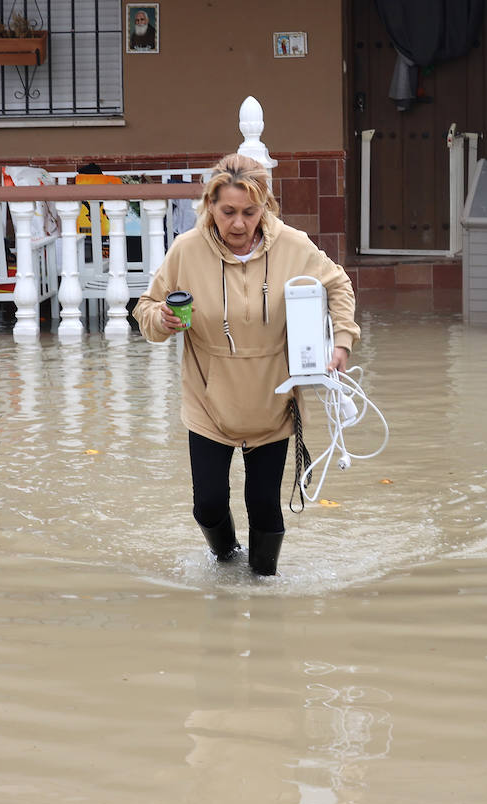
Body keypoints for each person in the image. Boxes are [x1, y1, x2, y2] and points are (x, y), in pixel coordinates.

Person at [132, 153, 359, 576]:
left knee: (264, 506)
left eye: (249, 213)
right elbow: (145, 309)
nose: (238, 224)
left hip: (273, 402)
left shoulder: (294, 245)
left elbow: (338, 283)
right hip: (208, 402)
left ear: (266, 207)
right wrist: (160, 319)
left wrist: (342, 341)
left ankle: (263, 589)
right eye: (228, 212)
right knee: (208, 505)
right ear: (209, 206)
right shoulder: (186, 250)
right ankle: (225, 564)